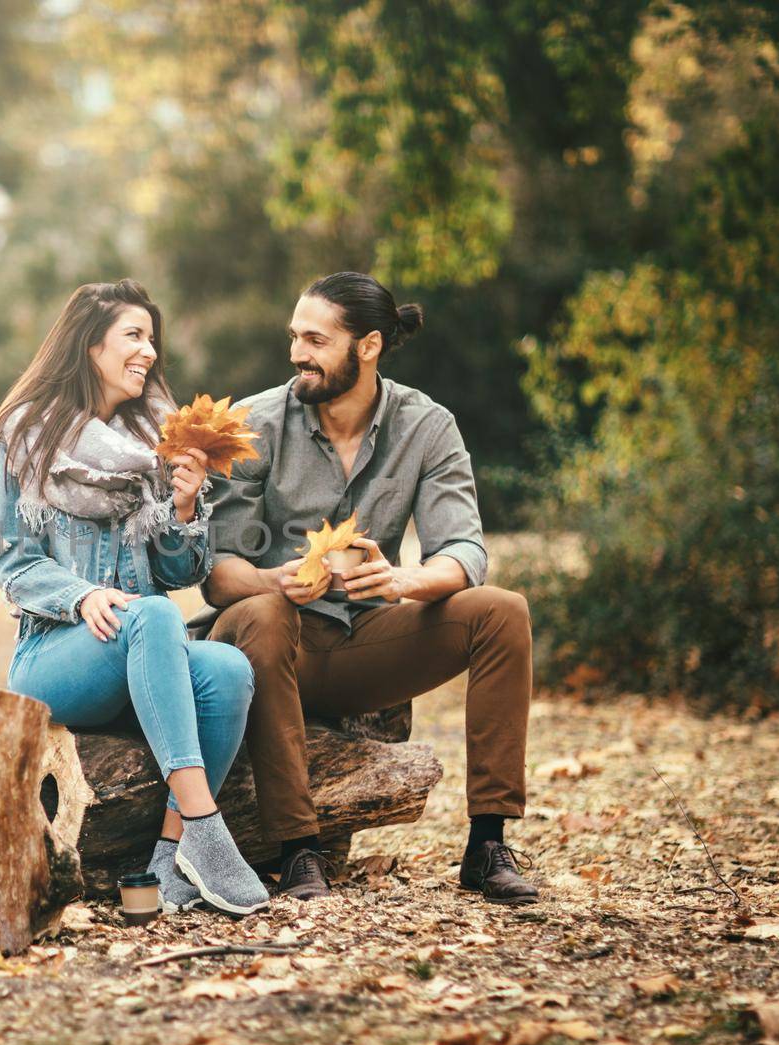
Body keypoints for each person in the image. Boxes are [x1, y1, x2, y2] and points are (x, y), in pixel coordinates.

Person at [197, 271, 539, 905]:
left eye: (316, 340)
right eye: (295, 337)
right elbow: (216, 572)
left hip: (364, 638)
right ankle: (298, 850)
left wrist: (403, 578)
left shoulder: (427, 425)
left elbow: (464, 551)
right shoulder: (256, 422)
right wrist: (276, 579)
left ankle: (487, 843)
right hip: (266, 643)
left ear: (369, 346)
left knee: (502, 613)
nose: (298, 352)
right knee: (267, 613)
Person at [0, 279, 268, 916]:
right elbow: (12, 562)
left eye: (152, 339)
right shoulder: (24, 435)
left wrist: (186, 506)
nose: (148, 352)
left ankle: (172, 857)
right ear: (89, 346)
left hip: (144, 646)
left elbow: (176, 574)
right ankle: (207, 824)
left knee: (228, 667)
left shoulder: (153, 444)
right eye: (133, 336)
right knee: (155, 616)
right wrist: (81, 597)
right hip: (57, 658)